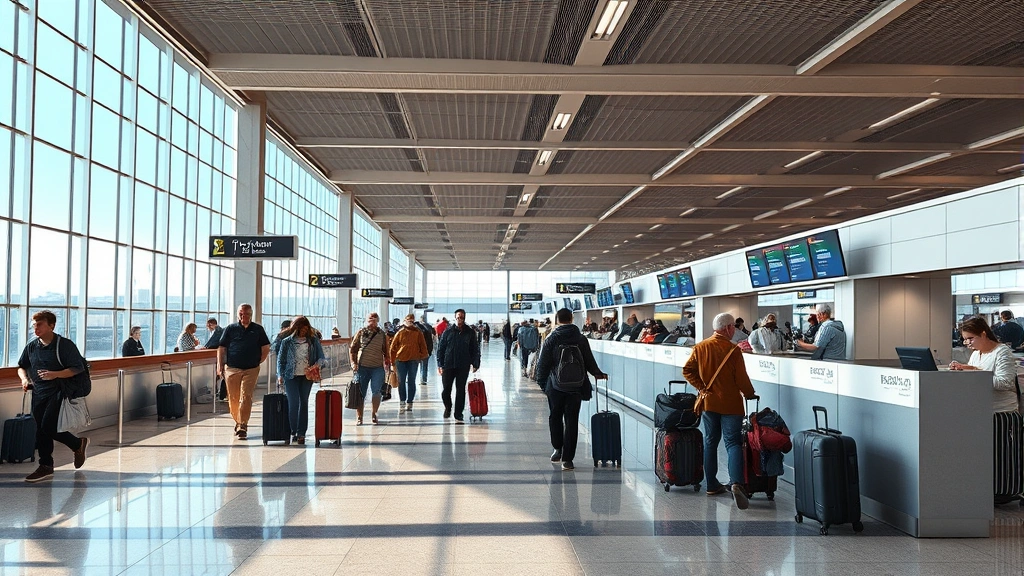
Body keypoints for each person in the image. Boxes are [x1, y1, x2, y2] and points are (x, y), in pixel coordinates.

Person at [682, 312, 756, 509]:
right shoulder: (733, 351)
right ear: (728, 328)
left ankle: (712, 485)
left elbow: (687, 370)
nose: (735, 331)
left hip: (709, 403)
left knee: (710, 442)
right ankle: (736, 484)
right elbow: (742, 379)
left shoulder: (701, 347)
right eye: (734, 327)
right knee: (733, 443)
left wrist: (702, 387)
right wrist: (750, 394)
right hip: (731, 404)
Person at [17, 310, 90, 483]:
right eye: (34, 325)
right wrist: (24, 379)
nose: (36, 329)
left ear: (51, 325)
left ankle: (77, 444)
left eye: (40, 324)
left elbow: (76, 368)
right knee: (41, 430)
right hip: (39, 392)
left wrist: (55, 374)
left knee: (48, 427)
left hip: (58, 391)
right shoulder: (32, 346)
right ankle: (46, 466)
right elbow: (21, 366)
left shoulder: (64, 345)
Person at [534, 307, 607, 471]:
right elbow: (589, 360)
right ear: (572, 319)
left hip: (555, 386)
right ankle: (568, 460)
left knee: (555, 417)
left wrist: (543, 384)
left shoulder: (552, 338)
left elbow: (543, 364)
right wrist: (598, 374)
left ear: (557, 319)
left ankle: (557, 450)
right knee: (572, 420)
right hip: (576, 386)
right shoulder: (580, 339)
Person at [217, 303, 271, 440]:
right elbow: (222, 348)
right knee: (233, 398)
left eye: (246, 313)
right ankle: (238, 421)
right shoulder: (230, 329)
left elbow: (265, 347)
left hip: (251, 368)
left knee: (246, 396)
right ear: (237, 314)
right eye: (241, 313)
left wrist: (259, 360)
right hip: (232, 368)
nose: (243, 316)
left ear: (251, 314)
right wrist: (220, 366)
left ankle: (243, 425)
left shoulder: (257, 329)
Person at [950, 316, 1019, 413]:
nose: (967, 343)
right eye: (965, 340)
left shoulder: (1001, 352)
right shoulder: (976, 353)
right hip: (980, 409)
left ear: (983, 334)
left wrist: (975, 373)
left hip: (1001, 411)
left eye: (970, 338)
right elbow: (974, 374)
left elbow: (1005, 383)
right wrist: (964, 369)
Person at [276, 316, 326, 444]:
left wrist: (316, 365)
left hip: (306, 377)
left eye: (305, 328)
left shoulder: (313, 341)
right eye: (300, 328)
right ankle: (293, 430)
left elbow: (322, 358)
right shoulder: (287, 342)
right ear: (295, 328)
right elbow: (281, 361)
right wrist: (280, 375)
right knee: (294, 402)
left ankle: (301, 432)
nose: (303, 331)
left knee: (303, 402)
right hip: (290, 376)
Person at [436, 309, 480, 424]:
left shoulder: (470, 332)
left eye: (462, 317)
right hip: (448, 364)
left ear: (464, 318)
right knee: (446, 390)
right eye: (458, 317)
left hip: (463, 365)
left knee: (460, 390)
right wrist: (440, 364)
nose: (460, 319)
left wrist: (475, 363)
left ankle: (458, 414)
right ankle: (448, 407)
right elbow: (441, 349)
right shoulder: (448, 331)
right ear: (455, 317)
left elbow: (475, 349)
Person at [349, 312, 391, 425]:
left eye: (374, 320)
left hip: (377, 368)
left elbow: (386, 350)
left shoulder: (382, 334)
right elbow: (353, 349)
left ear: (377, 321)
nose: (371, 322)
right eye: (369, 319)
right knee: (360, 392)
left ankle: (374, 413)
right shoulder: (361, 332)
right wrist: (353, 363)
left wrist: (388, 360)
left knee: (376, 392)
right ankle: (359, 416)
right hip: (362, 367)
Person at [390, 313, 428, 413]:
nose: (410, 322)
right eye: (408, 320)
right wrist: (392, 361)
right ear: (404, 320)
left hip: (413, 360)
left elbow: (423, 345)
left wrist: (422, 357)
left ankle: (410, 402)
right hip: (400, 360)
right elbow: (393, 348)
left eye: (411, 321)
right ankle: (402, 402)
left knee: (411, 381)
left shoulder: (418, 332)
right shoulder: (400, 332)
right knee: (401, 381)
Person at [416, 317, 435, 385]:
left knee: (417, 365)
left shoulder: (418, 328)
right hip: (428, 349)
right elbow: (433, 334)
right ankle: (423, 379)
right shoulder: (428, 327)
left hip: (420, 350)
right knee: (424, 365)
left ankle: (414, 379)